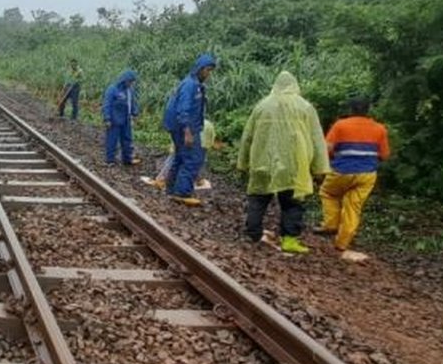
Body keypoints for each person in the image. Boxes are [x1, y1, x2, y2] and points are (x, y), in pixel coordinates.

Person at [237, 71, 331, 254]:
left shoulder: (262, 106)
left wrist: (243, 162)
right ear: (295, 86)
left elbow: (247, 136)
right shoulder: (305, 107)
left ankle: (253, 233)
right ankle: (289, 240)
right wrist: (320, 168)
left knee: (258, 197)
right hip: (294, 165)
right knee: (292, 203)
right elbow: (317, 138)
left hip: (264, 161)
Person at [317, 97, 390, 258]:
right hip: (367, 174)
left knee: (328, 193)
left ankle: (331, 224)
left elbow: (327, 149)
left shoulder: (340, 125)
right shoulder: (380, 129)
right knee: (353, 206)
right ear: (368, 109)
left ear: (351, 109)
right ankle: (342, 243)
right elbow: (384, 155)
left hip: (341, 171)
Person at [162, 53, 216, 205]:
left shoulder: (196, 84)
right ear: (199, 69)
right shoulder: (190, 85)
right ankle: (182, 192)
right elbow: (183, 109)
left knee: (180, 157)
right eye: (207, 70)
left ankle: (172, 189)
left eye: (211, 71)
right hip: (184, 127)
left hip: (185, 126)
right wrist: (187, 131)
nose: (209, 74)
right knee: (193, 158)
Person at [148, 118, 215, 190]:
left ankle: (163, 179)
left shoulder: (184, 124)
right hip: (202, 145)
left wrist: (173, 149)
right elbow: (210, 140)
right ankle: (197, 179)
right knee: (196, 164)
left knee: (174, 161)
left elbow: (175, 146)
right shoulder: (208, 125)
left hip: (190, 144)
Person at [101, 68, 139, 165]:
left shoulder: (130, 91)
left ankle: (127, 159)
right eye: (129, 81)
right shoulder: (112, 89)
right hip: (114, 120)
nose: (130, 83)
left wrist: (135, 113)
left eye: (132, 81)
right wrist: (107, 118)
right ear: (124, 79)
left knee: (127, 140)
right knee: (112, 140)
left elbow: (133, 103)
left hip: (126, 120)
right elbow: (107, 104)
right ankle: (110, 160)